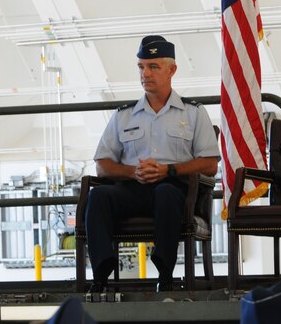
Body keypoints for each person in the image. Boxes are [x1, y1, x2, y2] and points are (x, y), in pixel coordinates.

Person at [85, 35, 220, 293]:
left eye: (153, 67)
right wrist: (131, 171)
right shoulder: (124, 115)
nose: (145, 73)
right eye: (141, 67)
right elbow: (102, 165)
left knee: (166, 193)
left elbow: (210, 164)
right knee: (99, 196)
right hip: (132, 187)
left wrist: (168, 170)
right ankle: (101, 274)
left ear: (172, 70)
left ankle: (165, 274)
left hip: (175, 187)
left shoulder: (193, 113)